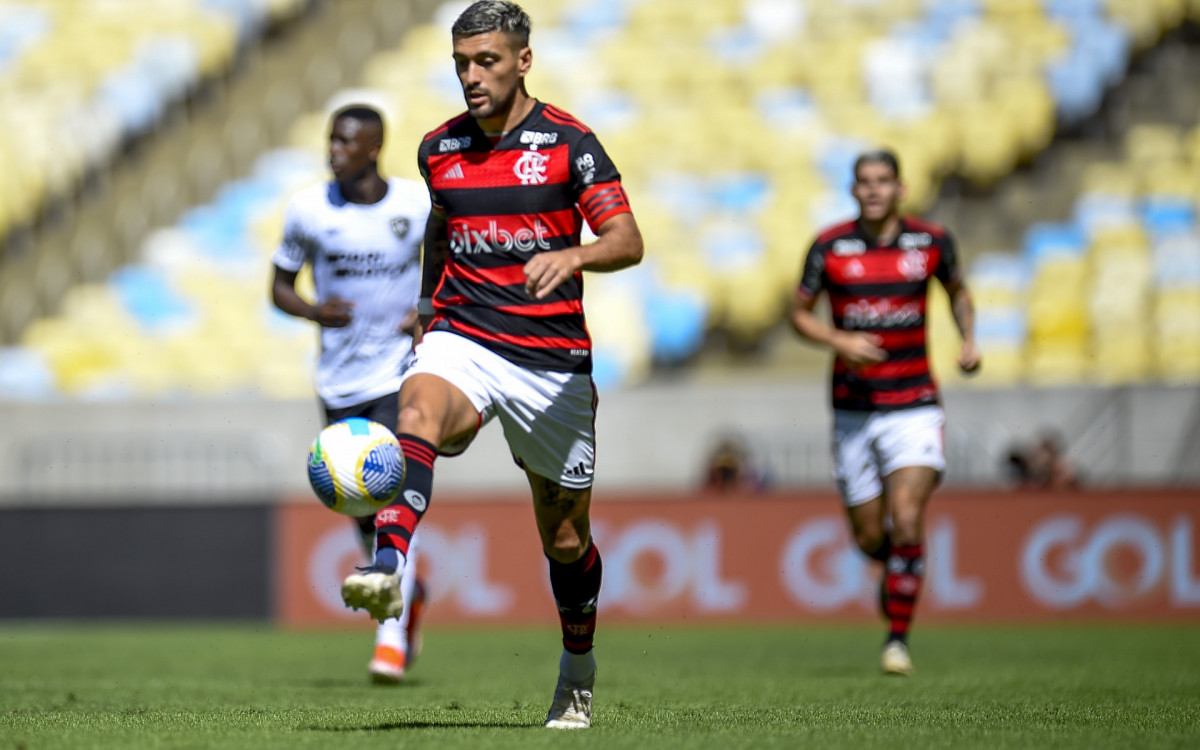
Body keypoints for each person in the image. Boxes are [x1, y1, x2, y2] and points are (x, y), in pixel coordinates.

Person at [339, 0, 643, 729]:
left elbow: (627, 239)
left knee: (566, 543)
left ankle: (577, 667)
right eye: (461, 65)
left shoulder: (571, 143)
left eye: (486, 62)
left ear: (523, 61)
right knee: (416, 410)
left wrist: (575, 252)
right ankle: (388, 566)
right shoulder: (438, 148)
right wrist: (423, 301)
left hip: (550, 363)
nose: (471, 78)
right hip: (464, 335)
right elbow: (441, 228)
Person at [788, 149, 980, 676]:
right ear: (853, 190)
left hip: (914, 404)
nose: (874, 190)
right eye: (864, 182)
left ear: (901, 187)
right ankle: (900, 572)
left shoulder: (932, 241)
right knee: (871, 536)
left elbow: (959, 293)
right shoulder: (830, 246)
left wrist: (968, 340)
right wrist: (837, 339)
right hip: (853, 409)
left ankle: (897, 640)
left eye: (883, 181)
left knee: (910, 514)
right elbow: (798, 314)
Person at [270, 104, 430, 685]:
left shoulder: (414, 206)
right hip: (338, 382)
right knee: (361, 513)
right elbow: (279, 288)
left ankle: (388, 643)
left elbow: (451, 262)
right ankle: (410, 593)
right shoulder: (309, 211)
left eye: (345, 141)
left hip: (399, 375)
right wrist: (314, 311)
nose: (333, 149)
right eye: (330, 139)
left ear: (373, 147)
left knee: (391, 498)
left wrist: (429, 308)